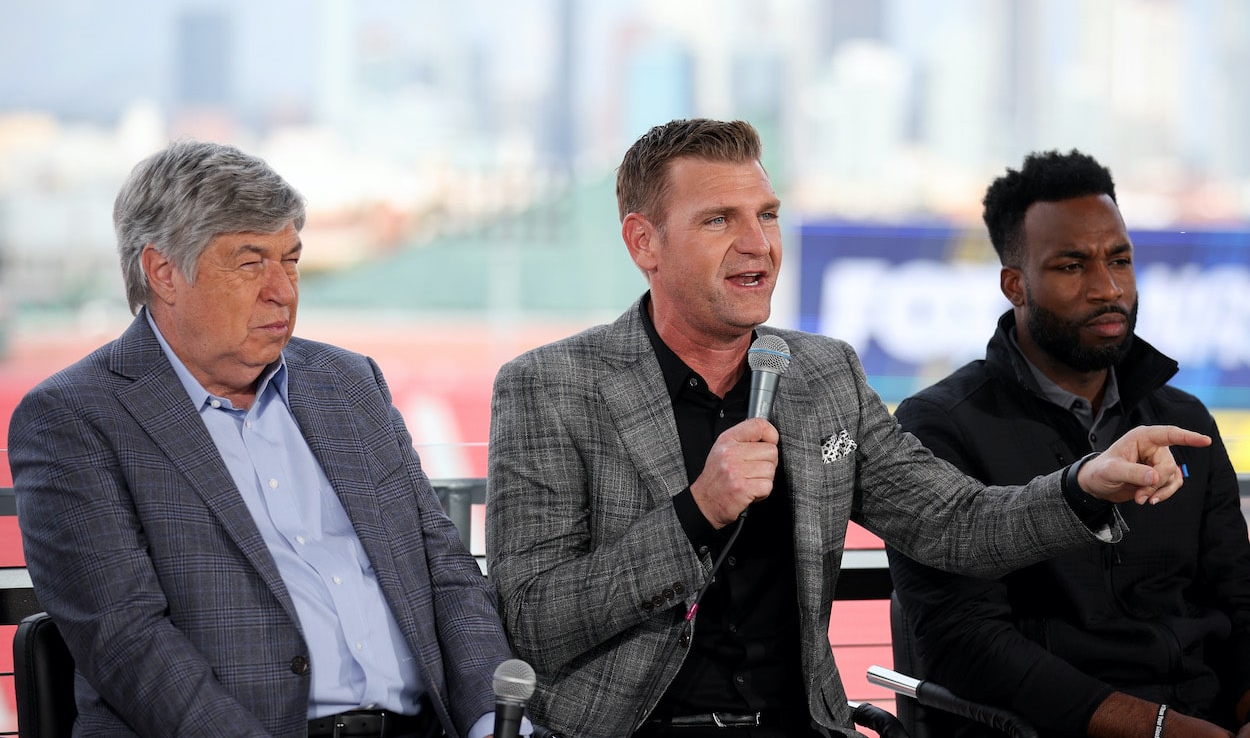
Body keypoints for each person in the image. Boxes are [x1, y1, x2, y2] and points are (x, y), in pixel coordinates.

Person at [484, 118, 1208, 738]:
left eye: (766, 215)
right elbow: (534, 618)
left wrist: (1082, 486)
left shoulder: (822, 373)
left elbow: (953, 521)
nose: (758, 244)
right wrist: (695, 512)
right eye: (719, 220)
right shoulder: (550, 386)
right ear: (644, 242)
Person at [8, 140, 524, 738]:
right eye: (251, 263)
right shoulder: (73, 419)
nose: (282, 290)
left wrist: (493, 722)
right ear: (164, 272)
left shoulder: (348, 384)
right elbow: (129, 644)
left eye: (292, 260)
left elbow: (445, 572)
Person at [885, 149, 1250, 738]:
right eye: (1072, 266)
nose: (1107, 288)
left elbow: (1239, 602)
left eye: (1120, 260)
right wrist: (1157, 728)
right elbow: (964, 644)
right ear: (1015, 285)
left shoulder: (1186, 420)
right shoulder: (939, 427)